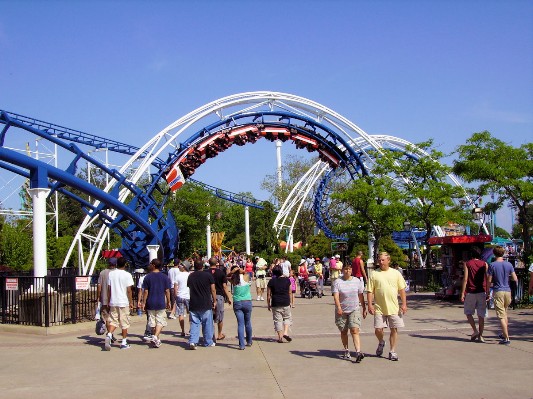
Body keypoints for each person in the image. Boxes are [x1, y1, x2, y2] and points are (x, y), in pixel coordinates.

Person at [367, 252, 407, 361]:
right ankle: (381, 341)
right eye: (379, 260)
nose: (381, 262)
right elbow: (370, 290)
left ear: (389, 260)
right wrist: (370, 305)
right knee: (378, 329)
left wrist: (404, 304)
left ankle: (392, 351)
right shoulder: (374, 274)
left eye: (383, 260)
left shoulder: (396, 273)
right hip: (379, 307)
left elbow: (402, 289)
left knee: (394, 329)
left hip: (394, 307)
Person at [333, 263, 367, 363]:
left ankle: (358, 351)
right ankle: (346, 349)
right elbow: (336, 296)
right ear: (342, 270)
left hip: (354, 309)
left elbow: (360, 295)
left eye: (349, 269)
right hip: (342, 310)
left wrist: (364, 308)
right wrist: (339, 307)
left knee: (355, 329)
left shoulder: (357, 281)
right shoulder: (338, 282)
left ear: (352, 270)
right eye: (345, 269)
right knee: (343, 331)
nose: (347, 271)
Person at [488, 246, 518, 346]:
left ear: (494, 254)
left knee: (500, 315)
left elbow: (489, 280)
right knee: (504, 313)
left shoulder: (492, 265)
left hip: (498, 290)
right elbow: (514, 278)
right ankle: (504, 333)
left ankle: (506, 337)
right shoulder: (509, 264)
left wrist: (488, 291)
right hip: (507, 290)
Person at [460, 246, 489, 343]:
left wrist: (462, 293)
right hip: (481, 291)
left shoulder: (468, 264)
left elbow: (465, 279)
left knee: (468, 312)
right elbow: (487, 278)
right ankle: (481, 335)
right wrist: (488, 291)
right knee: (481, 314)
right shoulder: (484, 264)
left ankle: (475, 330)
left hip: (471, 291)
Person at [141, 258, 172, 348]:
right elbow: (167, 291)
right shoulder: (164, 277)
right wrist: (169, 301)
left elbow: (145, 291)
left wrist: (144, 302)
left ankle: (155, 337)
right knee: (160, 321)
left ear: (154, 265)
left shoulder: (148, 277)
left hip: (150, 301)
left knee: (152, 322)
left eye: (151, 264)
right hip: (160, 301)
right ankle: (156, 337)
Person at [105, 257, 134, 350]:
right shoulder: (127, 275)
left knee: (114, 320)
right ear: (125, 264)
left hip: (114, 300)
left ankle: (109, 334)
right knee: (124, 322)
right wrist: (131, 301)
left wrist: (109, 301)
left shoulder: (111, 274)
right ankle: (124, 342)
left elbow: (109, 289)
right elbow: (129, 290)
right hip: (123, 301)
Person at [187, 259, 217, 349]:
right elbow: (213, 289)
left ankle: (193, 341)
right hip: (205, 302)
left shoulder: (191, 276)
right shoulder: (208, 275)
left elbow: (189, 287)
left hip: (194, 302)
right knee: (207, 323)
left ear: (194, 266)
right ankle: (208, 341)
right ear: (203, 266)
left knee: (194, 323)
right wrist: (214, 300)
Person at [207, 257, 232, 341]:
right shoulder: (221, 273)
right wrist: (228, 297)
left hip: (208, 296)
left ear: (208, 263)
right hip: (219, 296)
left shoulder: (205, 272)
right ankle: (219, 334)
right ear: (217, 263)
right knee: (220, 316)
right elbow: (224, 286)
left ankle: (211, 335)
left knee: (209, 316)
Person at [229, 265, 253, 350]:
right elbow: (247, 272)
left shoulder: (233, 280)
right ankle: (249, 341)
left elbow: (225, 276)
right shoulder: (246, 277)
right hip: (247, 301)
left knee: (240, 324)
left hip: (237, 302)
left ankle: (241, 345)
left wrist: (232, 272)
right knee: (248, 322)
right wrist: (240, 270)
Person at [267, 266, 293, 343]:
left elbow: (268, 294)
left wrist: (268, 304)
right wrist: (291, 302)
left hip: (275, 302)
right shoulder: (287, 280)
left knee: (277, 320)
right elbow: (290, 292)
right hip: (285, 302)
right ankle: (285, 332)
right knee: (287, 318)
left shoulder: (271, 281)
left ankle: (280, 337)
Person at [96, 257, 116, 338]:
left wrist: (98, 297)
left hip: (104, 298)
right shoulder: (116, 273)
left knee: (107, 317)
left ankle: (109, 333)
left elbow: (99, 286)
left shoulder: (102, 273)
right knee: (114, 318)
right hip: (114, 299)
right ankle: (110, 334)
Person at [138, 261, 155, 341]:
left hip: (148, 299)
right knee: (153, 317)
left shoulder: (142, 278)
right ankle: (149, 332)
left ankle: (149, 331)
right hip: (153, 298)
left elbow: (140, 291)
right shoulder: (152, 278)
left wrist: (140, 300)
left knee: (149, 316)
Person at [174, 261, 191, 337]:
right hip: (188, 296)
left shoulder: (178, 276)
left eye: (181, 265)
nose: (179, 266)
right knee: (191, 313)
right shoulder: (189, 275)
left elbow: (175, 287)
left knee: (181, 313)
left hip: (180, 295)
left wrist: (175, 295)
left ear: (184, 267)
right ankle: (191, 329)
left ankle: (183, 330)